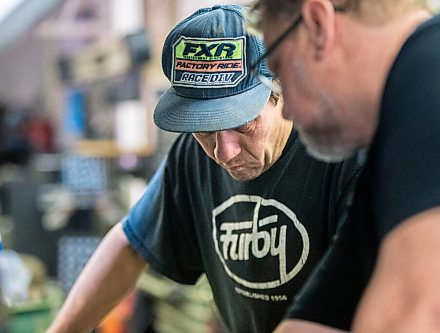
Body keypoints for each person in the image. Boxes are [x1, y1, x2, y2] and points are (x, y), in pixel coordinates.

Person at [46, 4, 365, 333]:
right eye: (205, 129)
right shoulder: (192, 156)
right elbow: (131, 244)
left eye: (243, 124)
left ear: (283, 88)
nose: (224, 152)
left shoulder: (347, 154)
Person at [250, 0, 440, 332]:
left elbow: (433, 313)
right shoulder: (393, 167)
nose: (287, 111)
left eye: (279, 70)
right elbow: (319, 319)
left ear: (318, 25)